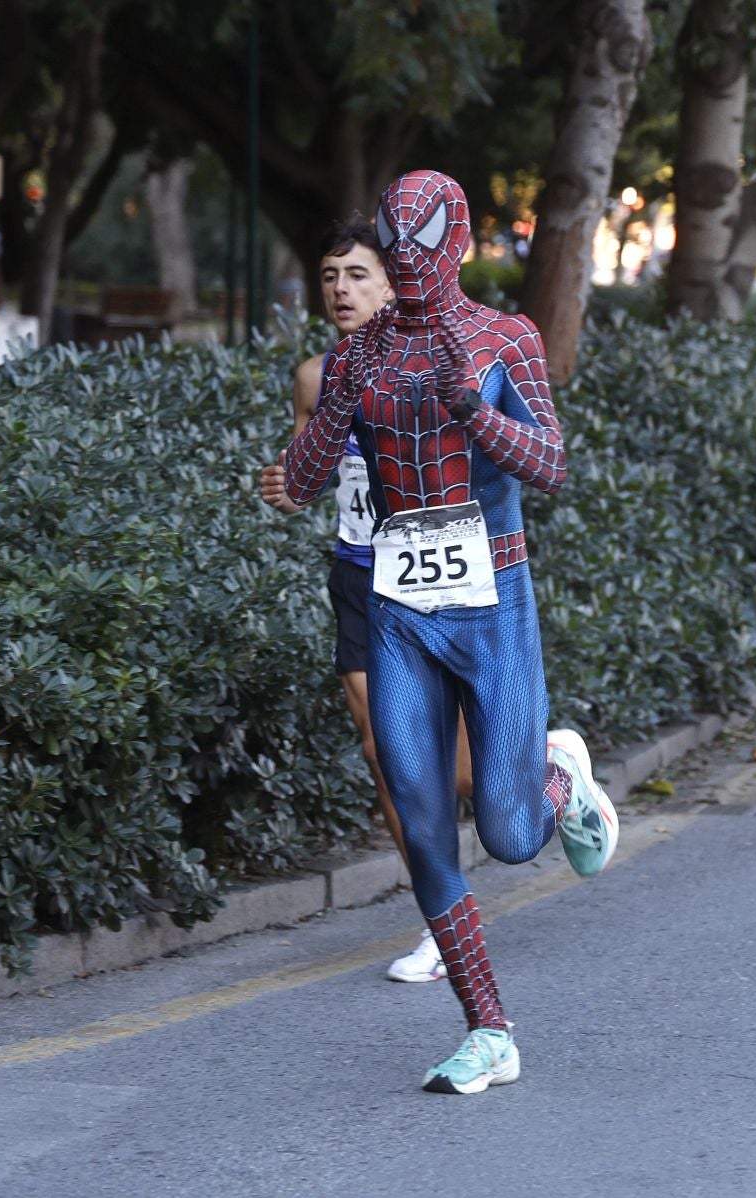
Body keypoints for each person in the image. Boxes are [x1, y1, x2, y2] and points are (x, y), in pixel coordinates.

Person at [279, 169, 618, 1095]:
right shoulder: (356, 357)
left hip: (494, 594)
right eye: (399, 250)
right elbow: (304, 483)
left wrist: (476, 410)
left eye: (424, 247)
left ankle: (562, 780)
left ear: (458, 245)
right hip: (397, 606)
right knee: (422, 823)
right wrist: (337, 406)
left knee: (509, 834)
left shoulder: (507, 338)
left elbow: (549, 464)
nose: (411, 265)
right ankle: (489, 1030)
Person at [257, 214, 473, 986]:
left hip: (438, 571)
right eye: (329, 276)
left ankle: (545, 758)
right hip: (357, 572)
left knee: (460, 771)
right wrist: (285, 487)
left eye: (357, 276)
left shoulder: (439, 362)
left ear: (393, 283)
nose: (341, 290)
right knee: (385, 756)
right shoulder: (319, 376)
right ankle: (442, 927)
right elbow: (306, 470)